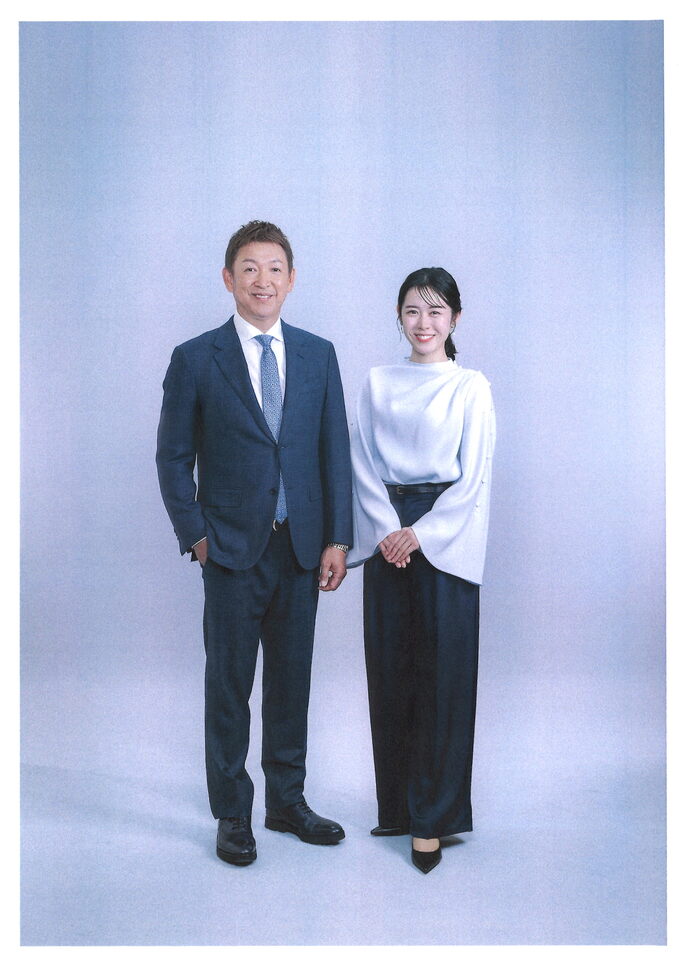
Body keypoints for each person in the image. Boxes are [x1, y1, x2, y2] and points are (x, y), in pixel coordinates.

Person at [156, 220, 353, 866]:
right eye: (248, 268)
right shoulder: (196, 358)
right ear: (228, 279)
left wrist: (337, 538)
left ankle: (287, 803)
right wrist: (196, 536)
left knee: (291, 685)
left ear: (291, 279)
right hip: (230, 551)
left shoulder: (319, 354)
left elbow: (334, 452)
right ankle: (232, 814)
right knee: (229, 688)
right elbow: (172, 457)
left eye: (273, 269)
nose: (261, 280)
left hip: (301, 549)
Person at [347, 267, 495, 874]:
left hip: (443, 531)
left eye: (436, 311)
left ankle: (433, 819)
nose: (424, 322)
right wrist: (388, 530)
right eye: (413, 310)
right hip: (387, 525)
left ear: (455, 319)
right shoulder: (377, 383)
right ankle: (401, 807)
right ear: (399, 316)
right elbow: (361, 459)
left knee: (443, 676)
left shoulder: (469, 387)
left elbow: (474, 475)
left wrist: (421, 533)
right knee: (390, 670)